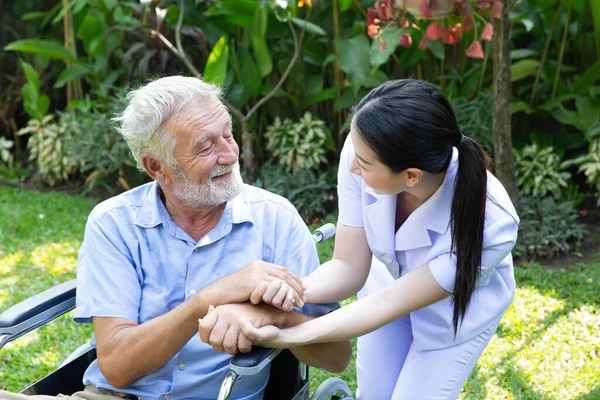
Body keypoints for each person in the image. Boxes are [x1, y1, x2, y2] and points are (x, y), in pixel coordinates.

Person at [0, 76, 351, 400]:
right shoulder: (114, 224)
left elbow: (336, 356)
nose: (229, 155)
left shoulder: (276, 220)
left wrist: (270, 317)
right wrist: (208, 301)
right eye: (205, 146)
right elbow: (118, 368)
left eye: (227, 135)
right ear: (157, 167)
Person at [223, 79, 519, 399]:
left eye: (363, 164)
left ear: (411, 176)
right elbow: (348, 266)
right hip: (385, 283)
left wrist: (289, 335)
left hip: (451, 317)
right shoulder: (364, 145)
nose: (352, 166)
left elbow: (390, 304)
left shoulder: (493, 226)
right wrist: (291, 291)